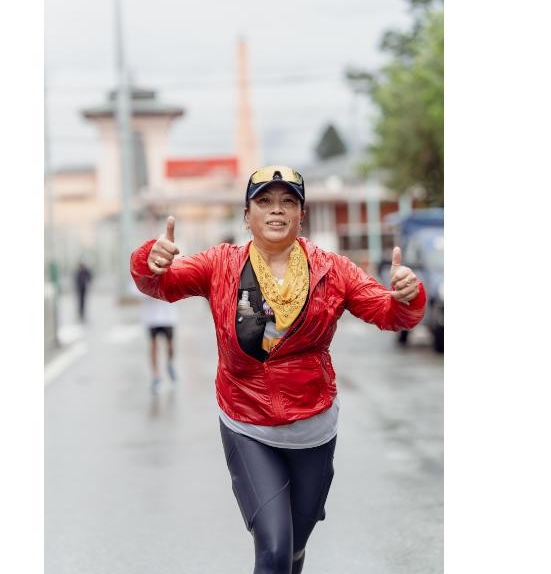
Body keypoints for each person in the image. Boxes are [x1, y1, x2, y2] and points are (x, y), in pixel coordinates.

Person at [130, 165, 426, 574]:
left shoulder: (333, 269)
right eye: (264, 201)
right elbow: (160, 284)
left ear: (301, 215)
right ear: (246, 215)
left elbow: (389, 313)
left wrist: (407, 297)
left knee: (294, 549)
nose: (276, 210)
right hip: (246, 422)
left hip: (313, 427)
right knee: (273, 549)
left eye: (288, 201)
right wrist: (150, 260)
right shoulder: (221, 264)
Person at [141, 291, 178, 393]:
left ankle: (170, 364)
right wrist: (148, 291)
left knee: (170, 345)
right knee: (153, 346)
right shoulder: (146, 279)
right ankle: (155, 376)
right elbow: (135, 289)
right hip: (152, 317)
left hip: (168, 316)